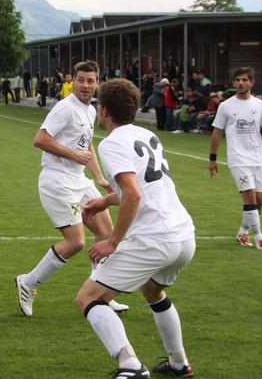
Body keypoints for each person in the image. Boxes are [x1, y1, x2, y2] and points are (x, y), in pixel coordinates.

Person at [76, 78, 195, 379]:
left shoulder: (112, 142)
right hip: (183, 236)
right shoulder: (146, 134)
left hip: (156, 239)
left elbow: (133, 194)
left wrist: (112, 241)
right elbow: (144, 188)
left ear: (104, 110)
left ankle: (131, 366)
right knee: (153, 290)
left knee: (89, 297)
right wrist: (106, 199)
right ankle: (178, 364)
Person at [15, 60, 129, 317]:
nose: (85, 85)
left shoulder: (90, 110)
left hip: (79, 181)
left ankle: (99, 294)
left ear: (97, 83)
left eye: (90, 81)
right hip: (58, 182)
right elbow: (40, 139)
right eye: (81, 80)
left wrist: (99, 177)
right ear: (73, 81)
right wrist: (73, 155)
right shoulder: (65, 108)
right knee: (76, 242)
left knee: (107, 234)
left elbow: (86, 145)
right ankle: (28, 283)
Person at [209, 67, 262, 251]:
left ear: (251, 83)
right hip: (238, 159)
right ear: (234, 83)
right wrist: (213, 158)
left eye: (244, 80)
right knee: (250, 197)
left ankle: (243, 232)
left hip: (257, 158)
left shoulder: (261, 105)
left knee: (260, 200)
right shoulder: (226, 106)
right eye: (238, 80)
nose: (241, 83)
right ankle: (259, 238)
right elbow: (217, 132)